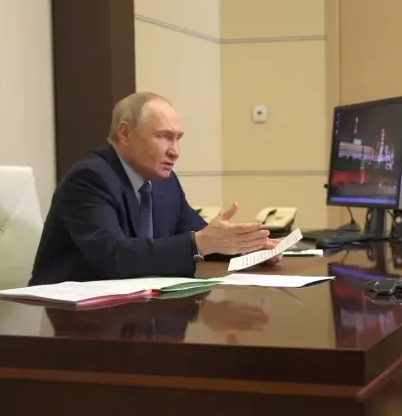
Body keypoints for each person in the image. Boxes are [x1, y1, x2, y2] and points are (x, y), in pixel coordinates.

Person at [30, 92, 279, 285]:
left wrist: (248, 249)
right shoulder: (90, 178)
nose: (175, 151)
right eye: (164, 137)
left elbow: (199, 236)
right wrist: (200, 243)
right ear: (125, 133)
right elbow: (113, 257)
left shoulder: (165, 182)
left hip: (136, 312)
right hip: (66, 319)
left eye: (178, 138)